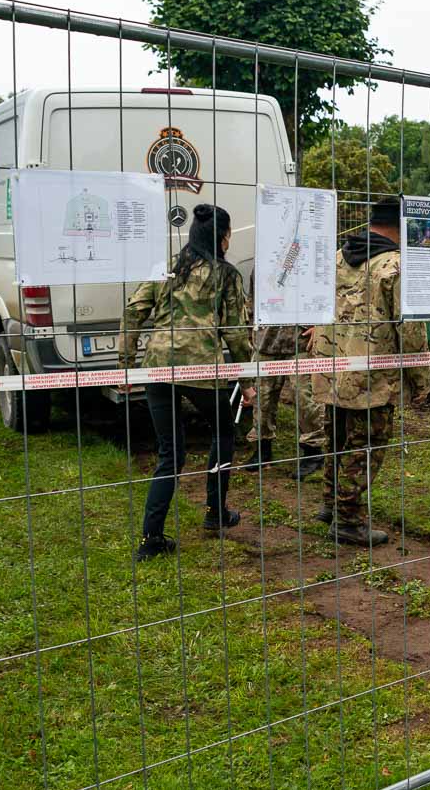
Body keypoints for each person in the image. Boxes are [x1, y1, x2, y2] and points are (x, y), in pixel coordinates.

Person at [119, 203, 256, 561]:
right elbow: (237, 333)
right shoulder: (225, 275)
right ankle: (215, 512)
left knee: (171, 452)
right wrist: (248, 378)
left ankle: (151, 539)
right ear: (223, 238)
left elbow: (133, 312)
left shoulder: (165, 269)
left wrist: (126, 365)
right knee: (224, 433)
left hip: (158, 366)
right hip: (201, 368)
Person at [310, 195, 430, 546]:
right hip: (371, 380)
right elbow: (410, 332)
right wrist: (421, 379)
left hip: (332, 371)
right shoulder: (394, 267)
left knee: (337, 441)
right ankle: (348, 520)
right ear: (401, 225)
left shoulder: (336, 258)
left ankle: (331, 506)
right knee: (365, 446)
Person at [243, 268, 328, 480]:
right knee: (262, 399)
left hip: (300, 344)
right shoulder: (262, 263)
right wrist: (249, 335)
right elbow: (252, 303)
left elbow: (328, 297)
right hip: (266, 343)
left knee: (306, 398)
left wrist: (322, 325)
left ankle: (313, 453)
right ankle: (262, 451)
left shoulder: (310, 263)